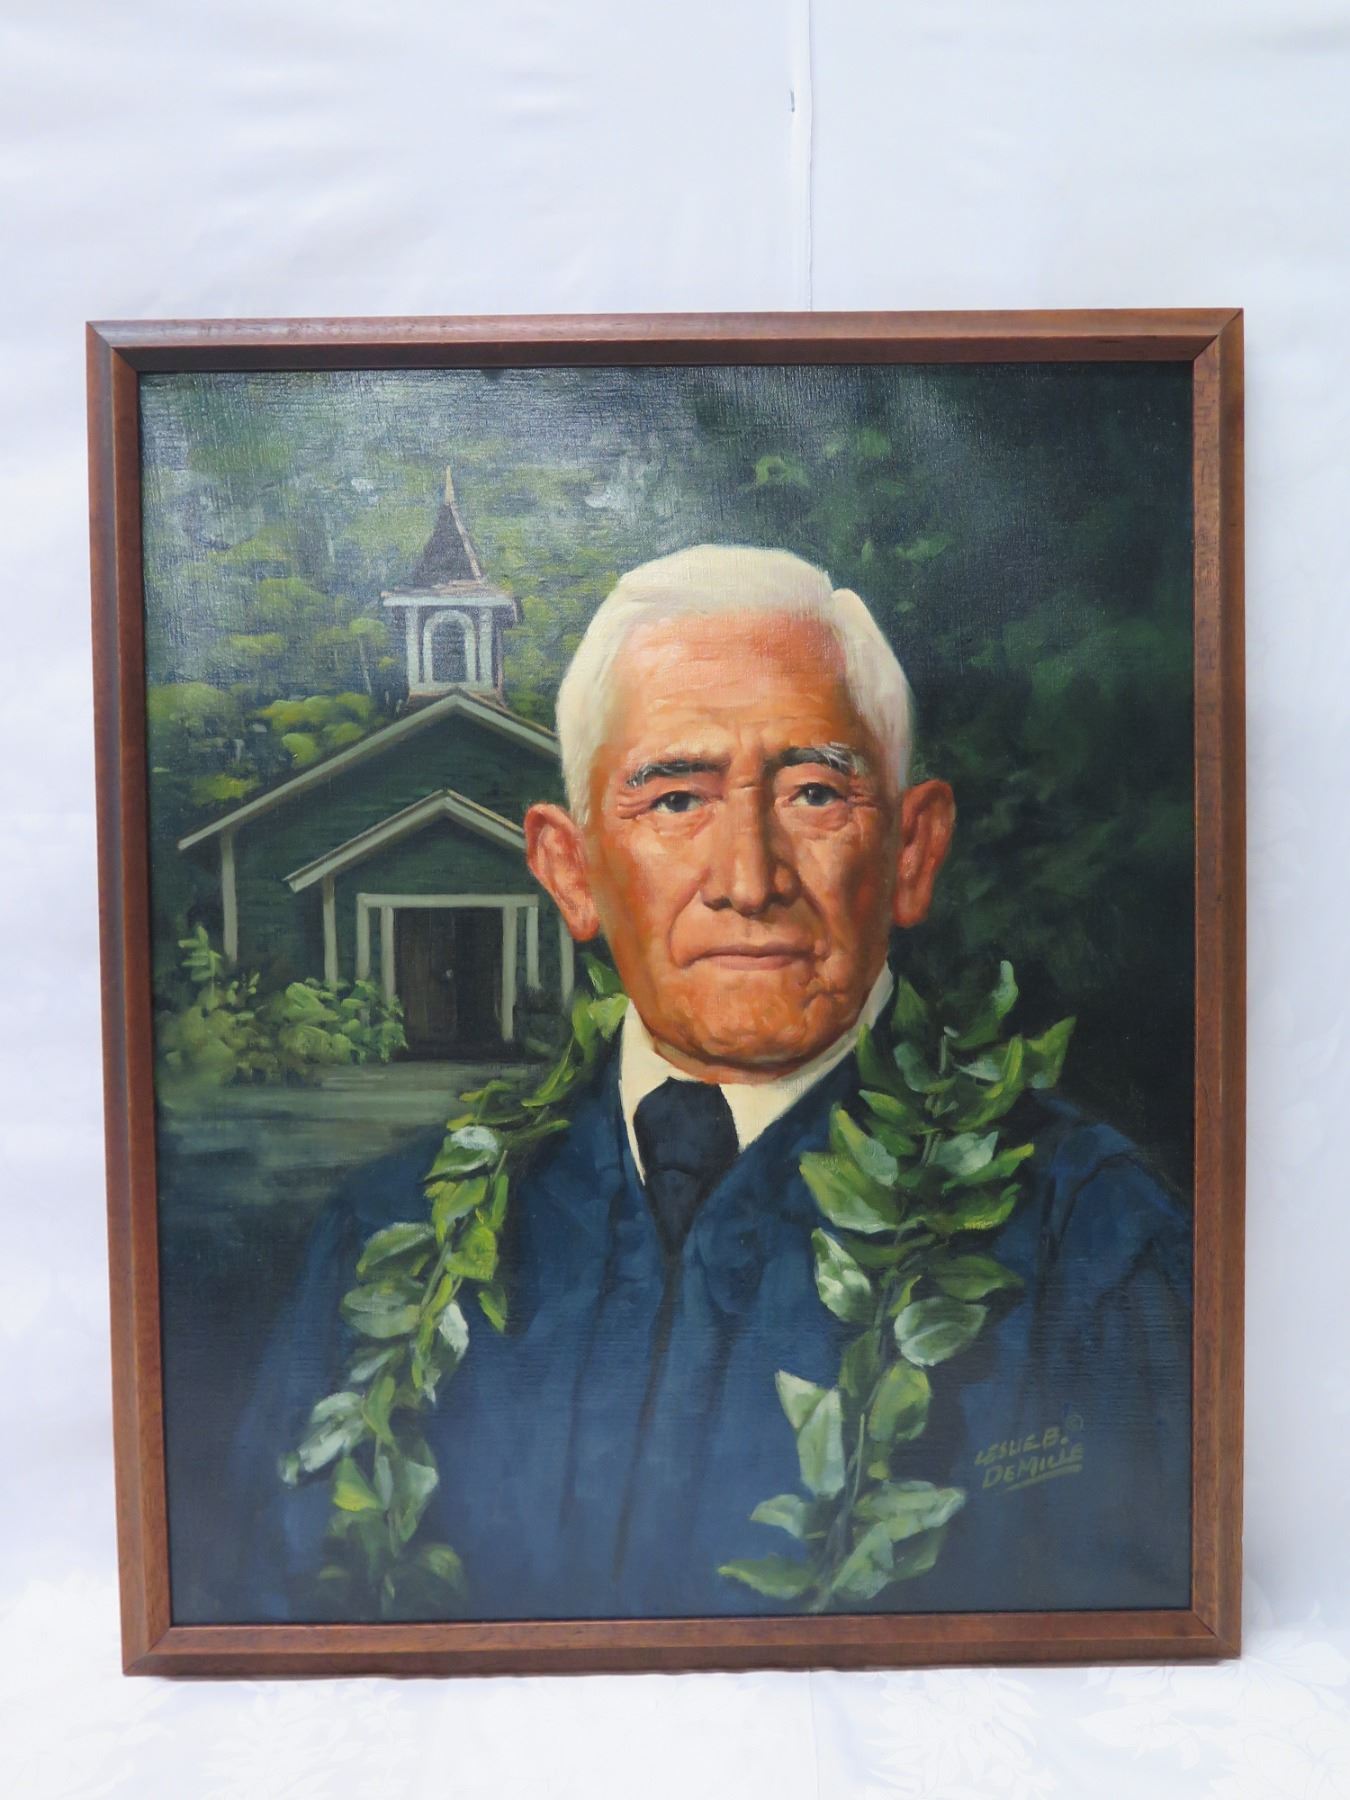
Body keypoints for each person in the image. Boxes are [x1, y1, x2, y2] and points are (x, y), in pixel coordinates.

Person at [221, 546, 1192, 1623]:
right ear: (571, 870)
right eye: (677, 798)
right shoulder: (385, 1243)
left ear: (912, 853)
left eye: (815, 794)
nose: (748, 879)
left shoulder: (1086, 1246)